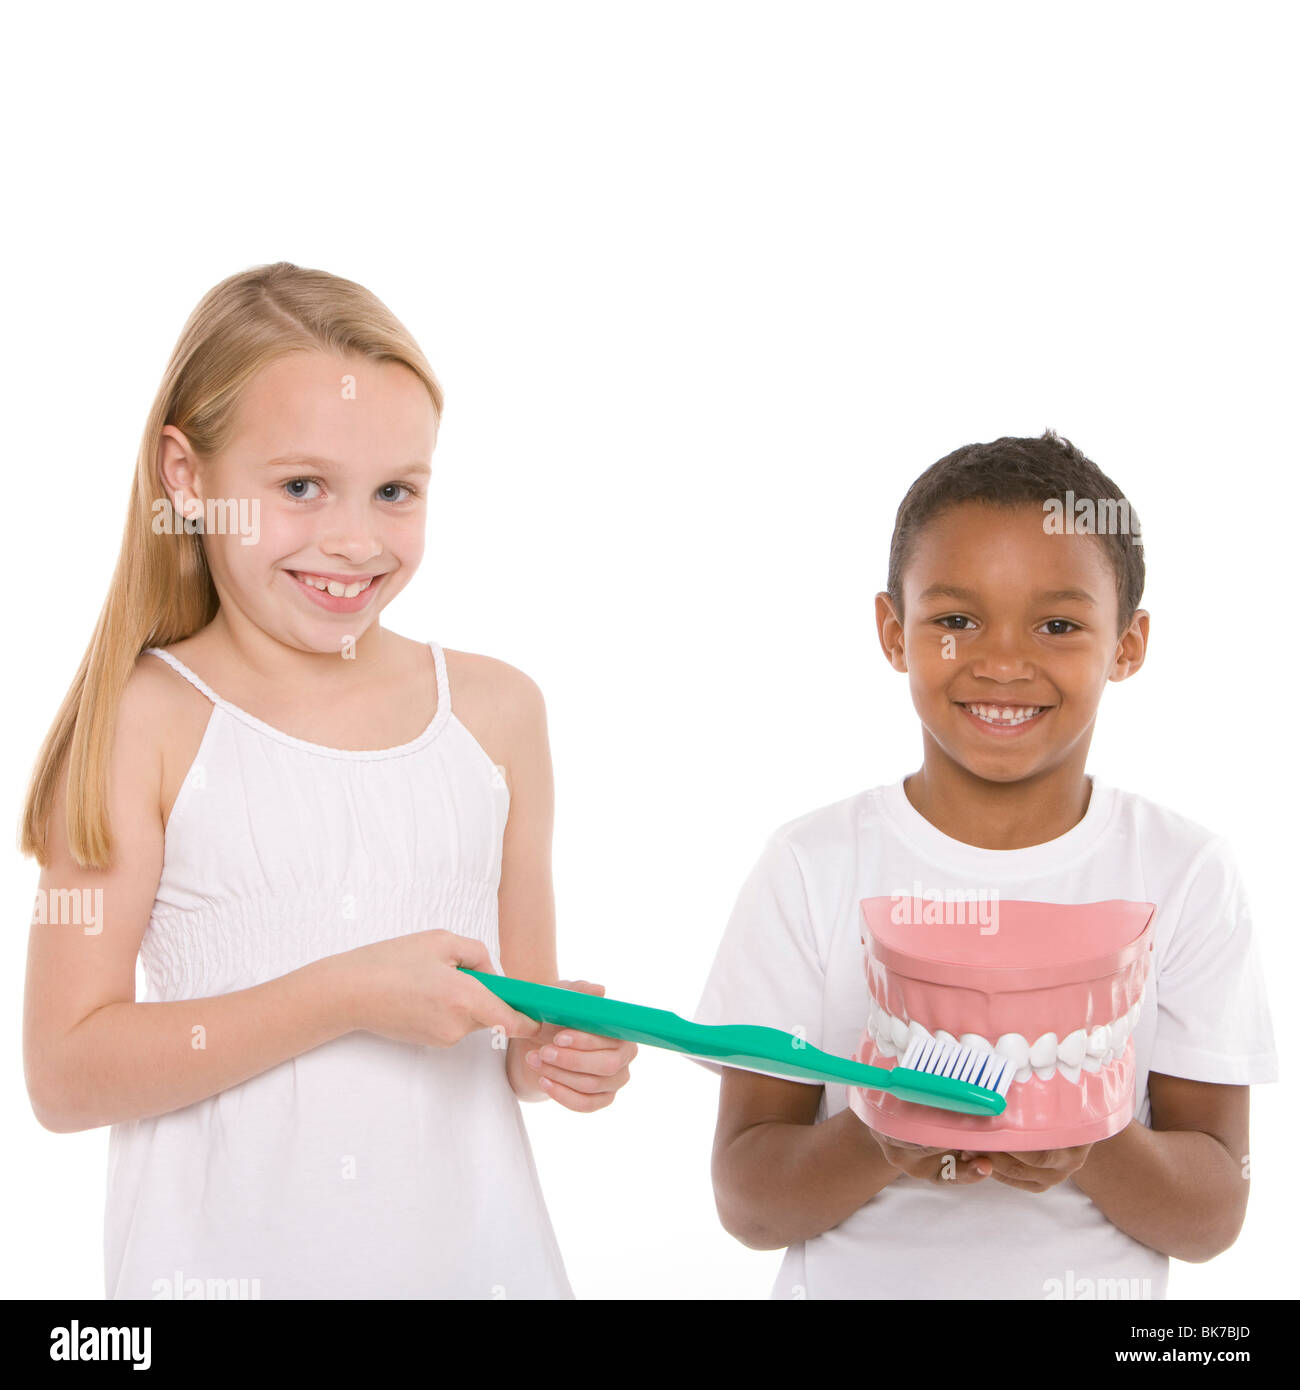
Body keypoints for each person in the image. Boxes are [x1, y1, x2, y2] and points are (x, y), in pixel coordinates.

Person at [21, 261, 636, 1299]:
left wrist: (554, 1058)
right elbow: (64, 1074)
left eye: (395, 490)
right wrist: (346, 995)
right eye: (301, 486)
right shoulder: (147, 722)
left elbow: (516, 1032)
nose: (355, 541)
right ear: (186, 475)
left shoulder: (496, 715)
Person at [694, 429, 1278, 1299]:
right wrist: (880, 1134)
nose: (1003, 662)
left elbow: (1210, 1217)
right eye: (956, 620)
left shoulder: (1185, 871)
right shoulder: (810, 865)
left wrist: (1087, 1133)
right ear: (894, 632)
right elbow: (749, 1203)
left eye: (1058, 624)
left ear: (1128, 643)